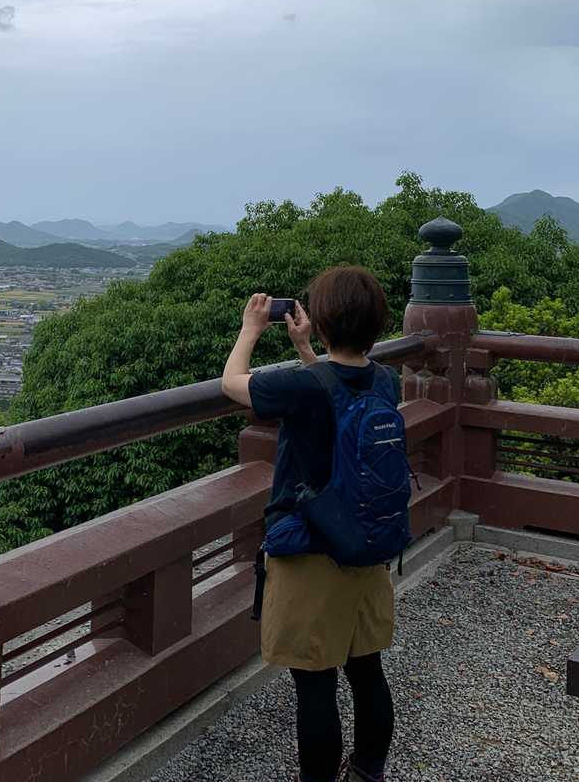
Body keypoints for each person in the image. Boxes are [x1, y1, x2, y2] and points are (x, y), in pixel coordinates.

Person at [220, 267, 398, 782]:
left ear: (322, 322)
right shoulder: (386, 380)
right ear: (377, 325)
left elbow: (231, 383)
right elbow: (338, 390)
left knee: (315, 682)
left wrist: (250, 329)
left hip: (310, 548)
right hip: (367, 542)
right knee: (366, 669)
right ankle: (367, 772)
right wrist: (305, 349)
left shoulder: (300, 388)